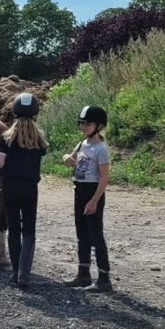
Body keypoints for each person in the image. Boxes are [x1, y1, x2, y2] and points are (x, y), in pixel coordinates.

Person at [0, 92, 47, 288]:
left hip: (10, 188)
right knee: (29, 231)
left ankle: (15, 273)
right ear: (35, 114)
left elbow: (0, 164)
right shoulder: (39, 140)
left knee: (14, 230)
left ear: (15, 113)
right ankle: (25, 272)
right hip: (30, 188)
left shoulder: (5, 139)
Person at [62, 104, 112, 291]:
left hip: (92, 192)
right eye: (82, 123)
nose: (83, 127)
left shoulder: (101, 149)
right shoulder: (82, 144)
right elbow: (71, 158)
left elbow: (104, 178)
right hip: (79, 191)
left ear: (99, 126)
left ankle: (104, 278)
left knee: (96, 235)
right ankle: (83, 274)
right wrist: (66, 158)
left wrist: (94, 201)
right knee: (82, 234)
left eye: (88, 124)